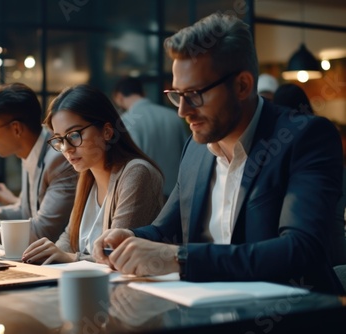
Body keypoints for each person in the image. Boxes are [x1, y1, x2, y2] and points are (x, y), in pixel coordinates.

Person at [93, 12, 345, 294]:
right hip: (205, 312)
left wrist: (181, 259)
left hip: (296, 316)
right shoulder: (196, 148)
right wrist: (129, 237)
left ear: (242, 85)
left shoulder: (306, 137)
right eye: (177, 94)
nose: (182, 110)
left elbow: (301, 249)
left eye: (195, 95)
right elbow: (166, 230)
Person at [21, 84, 164, 264]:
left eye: (73, 135)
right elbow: (68, 238)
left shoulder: (136, 173)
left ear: (107, 131)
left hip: (129, 288)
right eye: (59, 139)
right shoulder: (87, 176)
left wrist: (70, 258)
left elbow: (116, 255)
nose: (66, 149)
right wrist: (49, 254)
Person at [0, 83, 78, 244]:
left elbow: (42, 231)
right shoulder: (31, 151)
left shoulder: (58, 159)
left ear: (16, 129)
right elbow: (25, 212)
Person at [112, 76, 190, 199]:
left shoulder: (125, 122)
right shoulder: (173, 115)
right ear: (143, 93)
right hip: (177, 194)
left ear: (119, 97)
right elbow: (188, 155)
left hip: (147, 196)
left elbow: (129, 164)